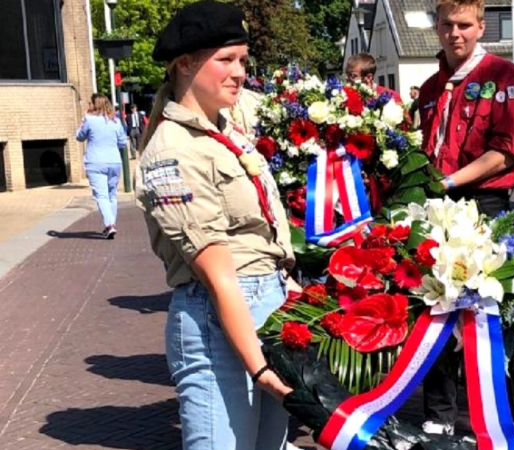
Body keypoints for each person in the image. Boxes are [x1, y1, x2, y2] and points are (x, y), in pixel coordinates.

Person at [134, 2, 295, 449]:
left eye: (243, 60)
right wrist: (259, 368)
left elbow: (260, 232)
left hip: (265, 307)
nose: (239, 72)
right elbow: (217, 273)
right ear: (184, 64)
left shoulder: (227, 130)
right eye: (225, 59)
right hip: (219, 322)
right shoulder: (173, 150)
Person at [417, 0, 514, 435]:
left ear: (482, 27)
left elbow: (508, 151)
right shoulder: (432, 88)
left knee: (486, 309)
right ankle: (438, 415)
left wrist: (448, 183)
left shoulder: (504, 78)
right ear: (436, 28)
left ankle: (498, 415)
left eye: (464, 25)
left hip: (483, 206)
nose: (455, 34)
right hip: (436, 209)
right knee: (433, 306)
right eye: (447, 25)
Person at [76, 93, 128, 239]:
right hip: (114, 161)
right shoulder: (115, 121)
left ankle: (109, 224)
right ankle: (111, 225)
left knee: (101, 196)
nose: (88, 106)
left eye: (90, 103)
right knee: (112, 195)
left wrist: (83, 121)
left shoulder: (89, 120)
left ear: (95, 105)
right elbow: (123, 142)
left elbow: (79, 136)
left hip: (95, 162)